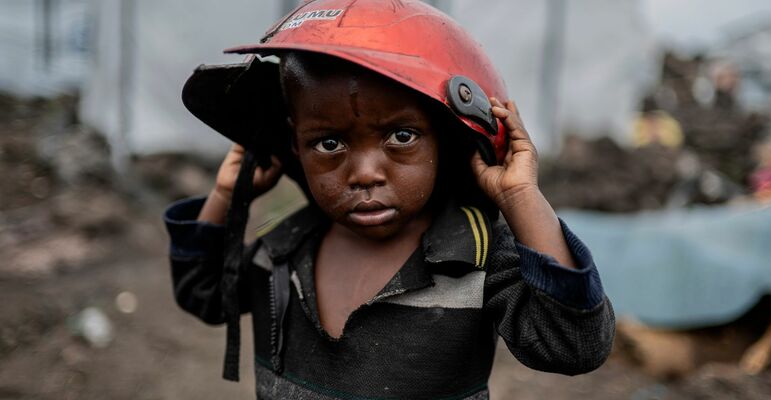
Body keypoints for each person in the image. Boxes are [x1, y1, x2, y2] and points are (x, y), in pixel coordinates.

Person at [164, 1, 614, 399]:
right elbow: (202, 294)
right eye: (328, 143)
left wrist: (520, 197)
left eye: (402, 136)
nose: (364, 173)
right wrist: (227, 193)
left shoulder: (475, 258)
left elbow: (573, 345)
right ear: (293, 145)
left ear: (447, 141)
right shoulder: (280, 249)